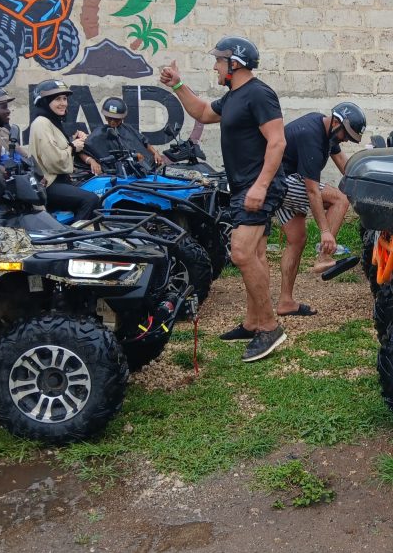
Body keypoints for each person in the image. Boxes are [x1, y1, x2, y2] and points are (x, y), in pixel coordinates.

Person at [159, 37, 287, 362]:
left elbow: (277, 142)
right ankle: (253, 321)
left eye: (218, 61)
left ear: (235, 63)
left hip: (259, 186)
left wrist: (259, 187)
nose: (214, 66)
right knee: (255, 254)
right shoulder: (233, 97)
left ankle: (270, 327)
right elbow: (202, 111)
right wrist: (178, 85)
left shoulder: (259, 94)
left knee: (242, 254)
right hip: (245, 185)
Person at [273, 102, 365, 317]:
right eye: (345, 135)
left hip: (275, 186)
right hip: (282, 183)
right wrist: (325, 232)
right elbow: (312, 191)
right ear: (336, 122)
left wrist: (366, 186)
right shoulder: (311, 137)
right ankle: (324, 257)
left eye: (350, 138)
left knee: (296, 240)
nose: (345, 140)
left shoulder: (327, 131)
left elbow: (344, 166)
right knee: (340, 200)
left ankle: (285, 302)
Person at [27, 79, 101, 222]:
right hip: (49, 184)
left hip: (59, 181)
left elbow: (56, 146)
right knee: (91, 200)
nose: (63, 103)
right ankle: (75, 238)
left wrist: (74, 140)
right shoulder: (42, 123)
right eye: (57, 99)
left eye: (65, 98)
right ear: (45, 102)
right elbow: (54, 160)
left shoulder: (52, 122)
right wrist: (73, 147)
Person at [84, 96, 164, 170]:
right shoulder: (98, 133)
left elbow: (145, 142)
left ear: (122, 117)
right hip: (123, 173)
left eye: (116, 119)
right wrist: (91, 161)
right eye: (110, 118)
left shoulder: (128, 128)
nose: (112, 122)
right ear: (105, 116)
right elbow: (82, 150)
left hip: (146, 168)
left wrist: (155, 153)